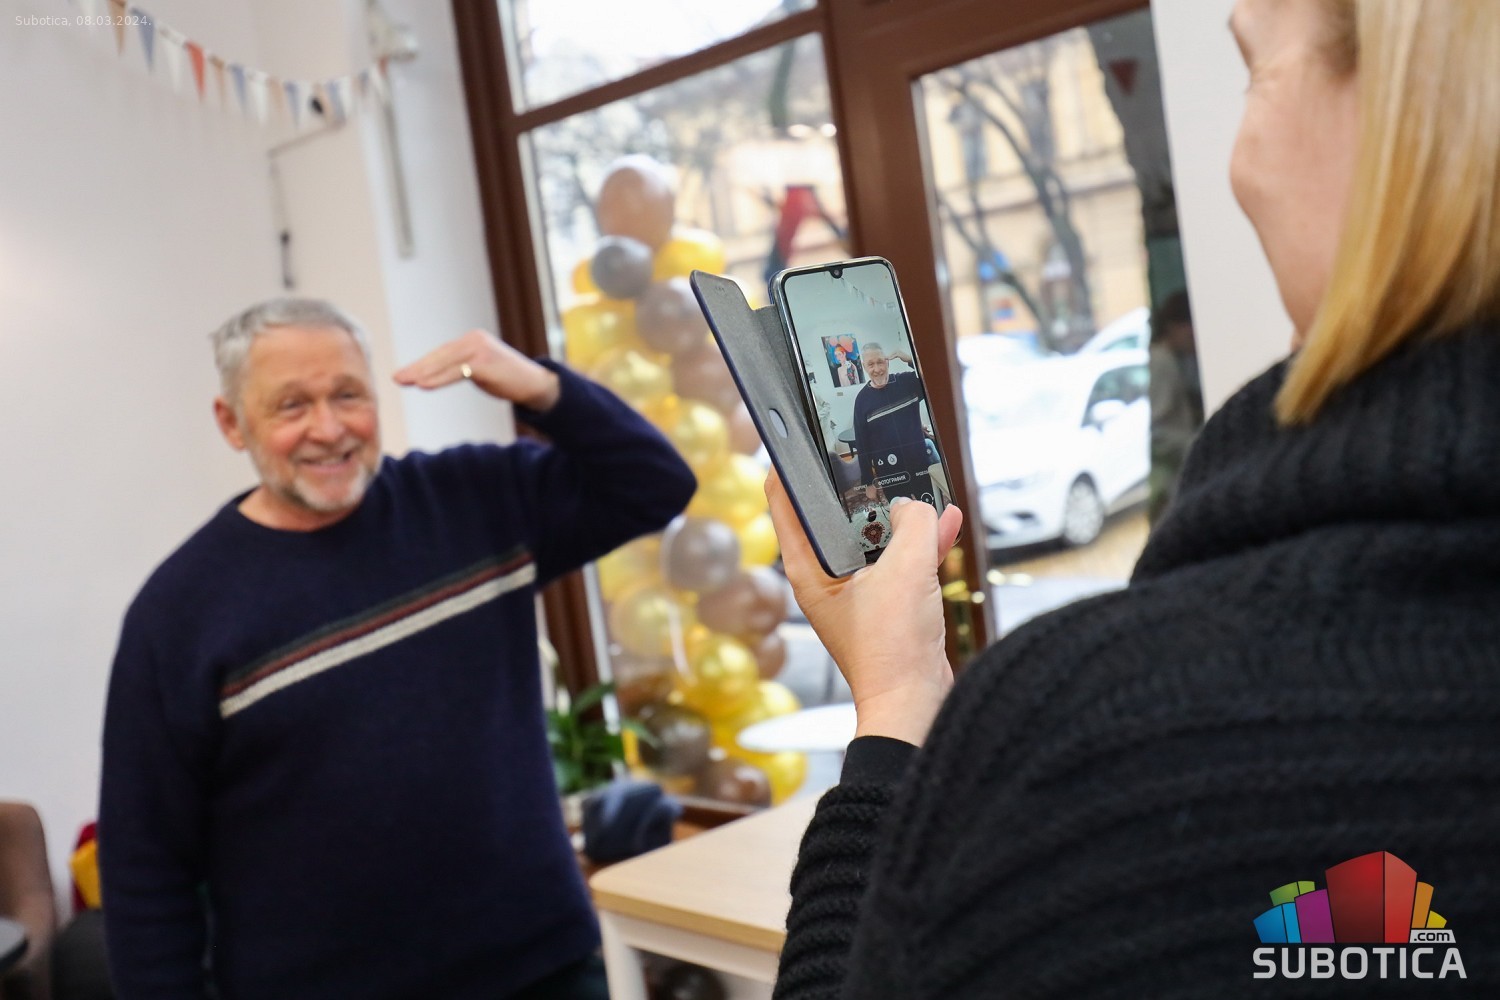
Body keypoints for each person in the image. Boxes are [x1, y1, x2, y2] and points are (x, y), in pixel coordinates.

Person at [770, 1, 1500, 996]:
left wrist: (897, 705)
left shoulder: (1087, 741)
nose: (1238, 162)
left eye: (1253, 68)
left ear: (1410, 126)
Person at [98, 299, 696, 1000]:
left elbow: (656, 484)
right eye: (292, 405)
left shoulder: (475, 500)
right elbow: (145, 867)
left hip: (545, 966)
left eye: (348, 395)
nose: (329, 429)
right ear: (232, 423)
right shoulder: (177, 613)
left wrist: (541, 388)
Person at [1146, 289, 1204, 523]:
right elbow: (1159, 431)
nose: (1194, 339)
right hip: (1167, 481)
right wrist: (1197, 445)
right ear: (1173, 327)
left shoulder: (1177, 360)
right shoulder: (1162, 362)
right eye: (1190, 331)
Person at [850, 343, 929, 502]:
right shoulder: (861, 401)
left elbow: (936, 378)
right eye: (871, 364)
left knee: (929, 508)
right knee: (900, 512)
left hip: (920, 464)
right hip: (889, 473)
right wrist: (868, 482)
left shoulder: (907, 382)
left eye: (880, 362)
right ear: (864, 367)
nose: (877, 369)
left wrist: (911, 359)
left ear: (887, 361)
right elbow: (862, 443)